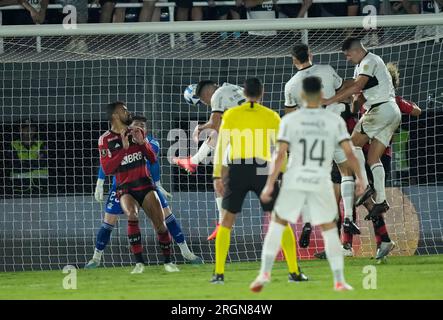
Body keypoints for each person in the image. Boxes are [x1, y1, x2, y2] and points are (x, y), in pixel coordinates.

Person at [250, 76, 364, 293]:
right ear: (322, 95)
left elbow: (279, 154)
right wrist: (358, 177)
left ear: (301, 96)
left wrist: (269, 184)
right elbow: (349, 152)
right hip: (320, 179)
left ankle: (264, 273)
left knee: (278, 225)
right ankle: (339, 280)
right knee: (330, 229)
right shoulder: (334, 121)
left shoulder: (290, 121)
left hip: (295, 178)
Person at [211, 78, 307, 284]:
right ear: (261, 93)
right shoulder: (271, 116)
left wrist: (217, 175)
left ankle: (218, 274)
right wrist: (283, 172)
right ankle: (294, 272)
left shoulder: (231, 114)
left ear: (244, 94)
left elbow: (221, 146)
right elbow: (281, 149)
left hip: (237, 169)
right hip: (263, 170)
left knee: (227, 221)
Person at [86, 115, 203, 270]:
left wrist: (159, 184)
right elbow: (105, 162)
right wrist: (100, 184)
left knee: (168, 217)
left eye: (142, 125)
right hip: (120, 187)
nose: (139, 127)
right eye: (136, 125)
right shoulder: (118, 141)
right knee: (108, 222)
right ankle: (96, 257)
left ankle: (186, 253)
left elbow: (154, 164)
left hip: (145, 184)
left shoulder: (152, 144)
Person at [284, 43, 361, 251]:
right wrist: (357, 83)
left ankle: (308, 222)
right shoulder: (326, 70)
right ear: (310, 55)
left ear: (294, 60)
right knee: (346, 172)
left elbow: (290, 116)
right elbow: (341, 88)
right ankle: (349, 219)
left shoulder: (290, 85)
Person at [323, 37, 402, 221]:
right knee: (373, 157)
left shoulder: (370, 60)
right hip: (391, 112)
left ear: (357, 51)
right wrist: (352, 104)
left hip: (381, 109)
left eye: (348, 55)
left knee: (351, 146)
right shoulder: (361, 67)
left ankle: (365, 187)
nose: (347, 58)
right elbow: (359, 95)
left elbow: (358, 86)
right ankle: (381, 200)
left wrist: (331, 100)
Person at [98, 101, 175, 274]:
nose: (128, 112)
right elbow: (108, 168)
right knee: (131, 216)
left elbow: (153, 158)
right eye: (124, 110)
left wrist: (142, 143)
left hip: (145, 184)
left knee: (160, 224)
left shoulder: (136, 132)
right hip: (125, 188)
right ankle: (139, 263)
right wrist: (124, 150)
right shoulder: (105, 140)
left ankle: (168, 262)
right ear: (116, 116)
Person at [174, 80, 246, 241]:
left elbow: (213, 123)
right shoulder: (233, 89)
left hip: (245, 140)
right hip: (257, 133)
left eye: (203, 101)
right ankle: (193, 161)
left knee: (219, 180)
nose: (206, 104)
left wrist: (200, 127)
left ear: (206, 94)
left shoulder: (217, 96)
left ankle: (223, 225)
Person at [10, 121, 48, 193]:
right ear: (20, 130)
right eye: (26, 128)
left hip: (40, 186)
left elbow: (43, 163)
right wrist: (35, 163)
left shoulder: (41, 144)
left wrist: (24, 163)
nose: (29, 131)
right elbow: (14, 165)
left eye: (32, 128)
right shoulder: (13, 145)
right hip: (19, 187)